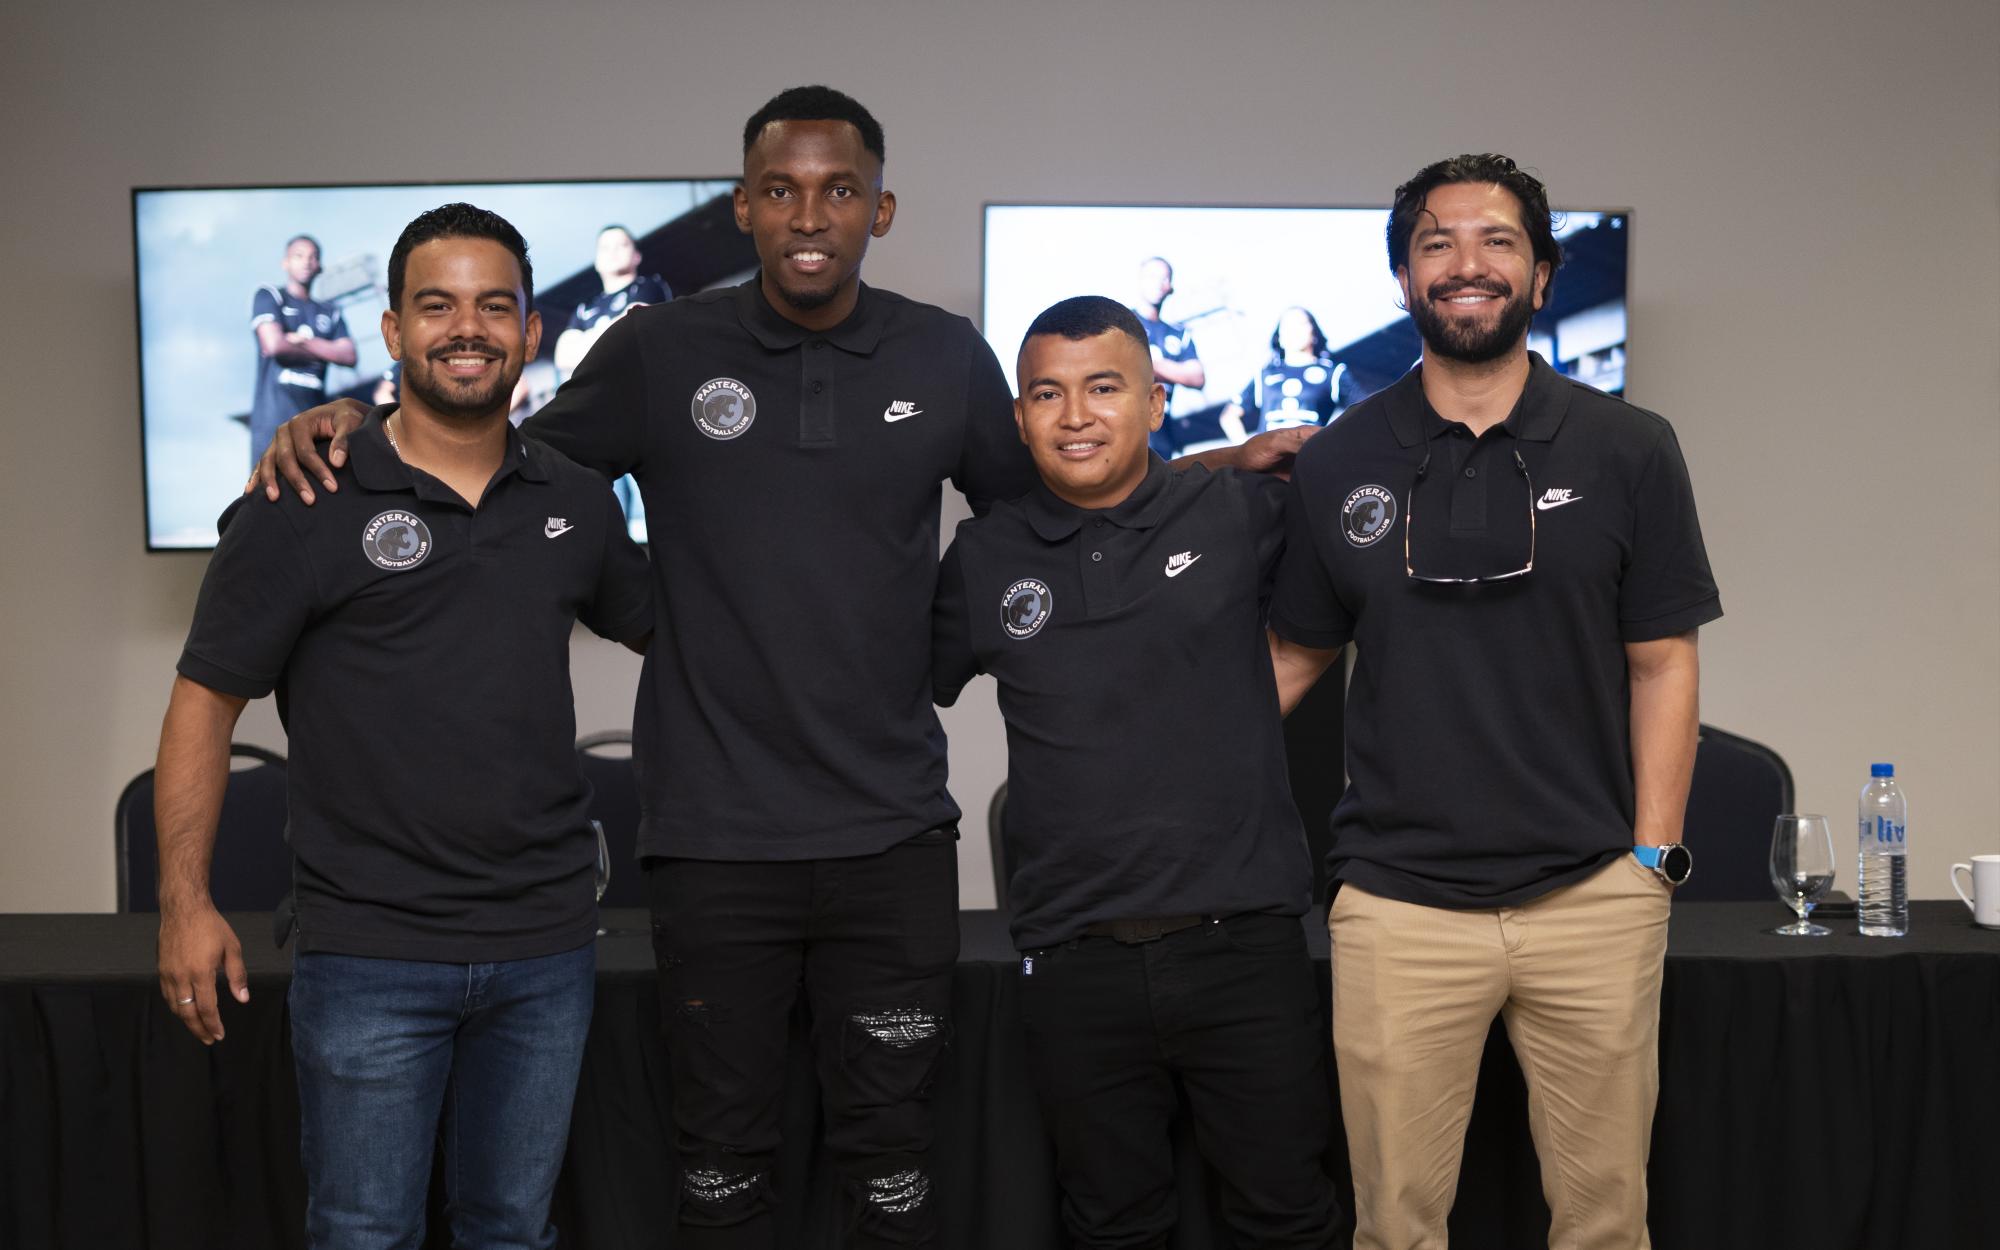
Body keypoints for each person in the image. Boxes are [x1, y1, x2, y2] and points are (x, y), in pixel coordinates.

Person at [250, 87, 1309, 1248]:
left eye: (840, 190)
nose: (811, 213)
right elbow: (492, 453)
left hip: (891, 834)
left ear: (880, 210)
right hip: (712, 838)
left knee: (893, 1167)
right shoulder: (658, 351)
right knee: (719, 1166)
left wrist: (1211, 462)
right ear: (746, 206)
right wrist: (352, 410)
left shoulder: (942, 356)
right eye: (782, 189)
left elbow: (1069, 494)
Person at [157, 203, 653, 1248]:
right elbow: (205, 701)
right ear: (389, 330)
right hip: (369, 950)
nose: (464, 328)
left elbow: (694, 631)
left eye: (492, 306)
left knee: (512, 1228)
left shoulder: (574, 499)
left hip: (545, 946)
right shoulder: (301, 495)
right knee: (361, 1232)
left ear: (527, 329)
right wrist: (183, 901)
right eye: (436, 305)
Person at [1267, 154, 1719, 1250]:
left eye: (1496, 241)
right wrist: (1131, 753)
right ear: (1401, 279)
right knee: (1394, 1228)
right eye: (1435, 243)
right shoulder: (1340, 459)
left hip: (1588, 898)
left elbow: (1661, 661)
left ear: (1541, 275)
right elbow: (1288, 662)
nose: (1465, 264)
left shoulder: (1628, 448)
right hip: (1396, 906)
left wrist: (1649, 864)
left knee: (1606, 1223)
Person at [932, 295, 1339, 1248]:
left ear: (1157, 402)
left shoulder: (1243, 513)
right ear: (1020, 417)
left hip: (1244, 943)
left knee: (1287, 1216)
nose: (1076, 416)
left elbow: (1362, 591)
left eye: (1104, 388)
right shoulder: (984, 557)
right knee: (1112, 1228)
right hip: (1073, 959)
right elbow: (892, 692)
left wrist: (1227, 459)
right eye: (1047, 394)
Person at [249, 234, 357, 467]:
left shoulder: (330, 311)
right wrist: (326, 349)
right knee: (267, 496)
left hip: (315, 426)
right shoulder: (270, 296)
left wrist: (302, 341)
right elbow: (274, 345)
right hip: (272, 424)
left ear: (319, 266)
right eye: (298, 256)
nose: (306, 261)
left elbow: (348, 355)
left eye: (313, 257)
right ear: (285, 262)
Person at [1219, 305, 1361, 442]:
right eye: (1287, 326)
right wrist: (1246, 450)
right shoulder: (1266, 374)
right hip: (1268, 461)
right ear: (1279, 337)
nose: (1294, 330)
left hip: (1309, 457)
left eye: (1301, 323)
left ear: (1314, 333)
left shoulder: (1333, 373)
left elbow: (1364, 408)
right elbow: (1229, 417)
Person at [551, 224, 673, 378]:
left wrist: (587, 339)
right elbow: (563, 358)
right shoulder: (585, 308)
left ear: (637, 256)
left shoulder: (649, 286)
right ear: (596, 261)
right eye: (605, 248)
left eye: (622, 245)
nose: (613, 252)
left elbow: (631, 328)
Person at [1131, 255, 1205, 458]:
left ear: (1170, 286)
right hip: (1128, 422)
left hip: (1162, 425)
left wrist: (1149, 363)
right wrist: (1174, 370)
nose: (1158, 283)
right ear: (1140, 280)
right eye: (1152, 276)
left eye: (1164, 278)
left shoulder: (1178, 333)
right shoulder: (1123, 323)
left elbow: (1197, 377)